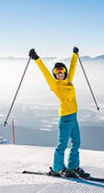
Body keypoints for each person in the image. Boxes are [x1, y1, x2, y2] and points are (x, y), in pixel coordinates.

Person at [28, 46, 89, 179]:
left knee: (76, 143)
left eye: (62, 71)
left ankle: (73, 167)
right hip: (65, 118)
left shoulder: (68, 81)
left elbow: (72, 67)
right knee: (62, 144)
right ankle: (57, 168)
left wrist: (75, 54)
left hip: (74, 116)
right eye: (57, 72)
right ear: (55, 74)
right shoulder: (55, 85)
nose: (60, 73)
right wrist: (36, 59)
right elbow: (45, 73)